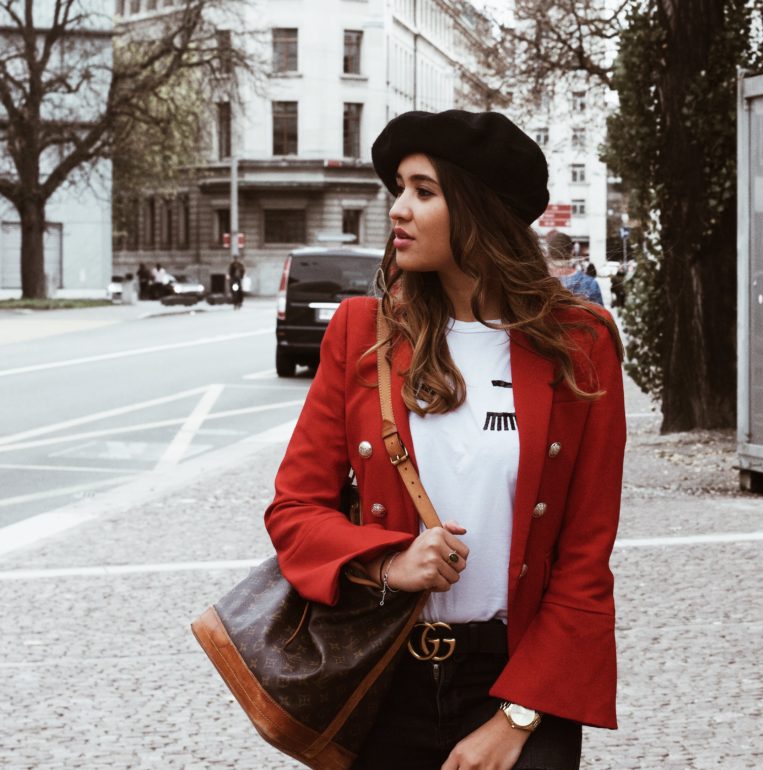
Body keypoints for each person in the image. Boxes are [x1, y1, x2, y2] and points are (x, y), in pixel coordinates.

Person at [264, 109, 626, 770]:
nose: (398, 209)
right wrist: (386, 563)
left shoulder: (581, 342)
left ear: (478, 208)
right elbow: (294, 512)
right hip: (382, 682)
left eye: (423, 191)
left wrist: (517, 718)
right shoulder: (360, 332)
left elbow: (584, 555)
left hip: (519, 683)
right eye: (399, 188)